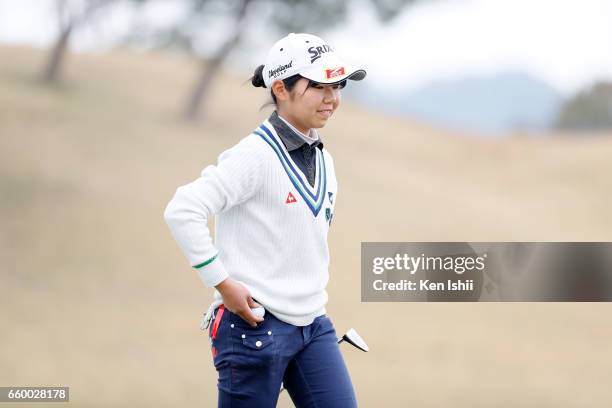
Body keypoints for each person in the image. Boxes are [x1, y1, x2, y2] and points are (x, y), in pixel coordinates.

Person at [164, 32, 366, 408]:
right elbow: (183, 208)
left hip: (313, 324)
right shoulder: (254, 156)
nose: (332, 97)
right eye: (319, 86)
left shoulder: (324, 159)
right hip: (254, 326)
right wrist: (222, 283)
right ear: (280, 89)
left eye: (337, 85)